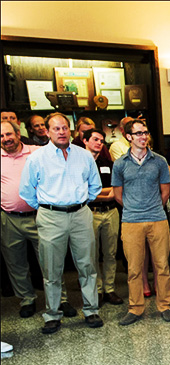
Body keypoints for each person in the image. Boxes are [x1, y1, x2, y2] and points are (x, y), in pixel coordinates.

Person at [19, 112, 104, 334]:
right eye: (56, 128)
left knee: (87, 264)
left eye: (65, 127)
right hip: (50, 216)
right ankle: (53, 314)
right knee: (52, 268)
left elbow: (95, 186)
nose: (61, 132)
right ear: (47, 132)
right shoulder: (37, 158)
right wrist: (48, 209)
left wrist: (81, 202)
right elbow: (26, 192)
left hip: (80, 214)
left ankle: (91, 310)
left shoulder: (84, 156)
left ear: (71, 130)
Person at [112, 119, 170, 325]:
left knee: (162, 266)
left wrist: (153, 207)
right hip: (131, 221)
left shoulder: (158, 161)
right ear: (128, 137)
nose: (143, 137)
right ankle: (135, 308)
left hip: (157, 219)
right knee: (134, 268)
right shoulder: (120, 164)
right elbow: (118, 194)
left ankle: (165, 306)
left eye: (145, 133)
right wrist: (134, 208)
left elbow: (165, 191)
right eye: (138, 133)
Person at [1, 120, 47, 317]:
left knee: (49, 260)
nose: (5, 139)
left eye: (8, 135)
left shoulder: (37, 152)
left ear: (18, 134)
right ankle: (27, 300)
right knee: (16, 262)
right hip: (8, 218)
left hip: (39, 216)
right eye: (1, 137)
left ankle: (60, 299)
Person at [83, 128, 123, 305]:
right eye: (95, 139)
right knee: (92, 255)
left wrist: (94, 192)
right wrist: (99, 193)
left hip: (111, 212)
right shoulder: (79, 163)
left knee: (110, 253)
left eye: (101, 140)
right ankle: (97, 290)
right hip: (89, 213)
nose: (99, 143)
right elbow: (82, 191)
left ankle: (109, 289)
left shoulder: (108, 163)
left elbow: (116, 191)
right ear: (85, 141)